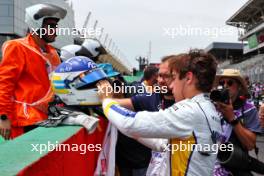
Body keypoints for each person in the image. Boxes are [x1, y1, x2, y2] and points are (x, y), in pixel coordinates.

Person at [97, 50, 222, 176]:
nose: (171, 85)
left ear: (188, 78)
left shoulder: (191, 110)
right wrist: (137, 133)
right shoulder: (209, 108)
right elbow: (164, 144)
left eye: (174, 78)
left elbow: (130, 123)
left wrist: (106, 101)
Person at [0, 4, 67, 139]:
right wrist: (3, 116)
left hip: (49, 118)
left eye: (55, 26)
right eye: (51, 26)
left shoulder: (53, 53)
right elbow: (5, 84)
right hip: (25, 120)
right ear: (36, 25)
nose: (55, 31)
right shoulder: (18, 47)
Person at [213, 69, 262, 176]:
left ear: (239, 86)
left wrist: (232, 118)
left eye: (230, 83)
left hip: (232, 166)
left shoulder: (248, 108)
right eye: (222, 83)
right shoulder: (212, 105)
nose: (225, 85)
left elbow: (250, 145)